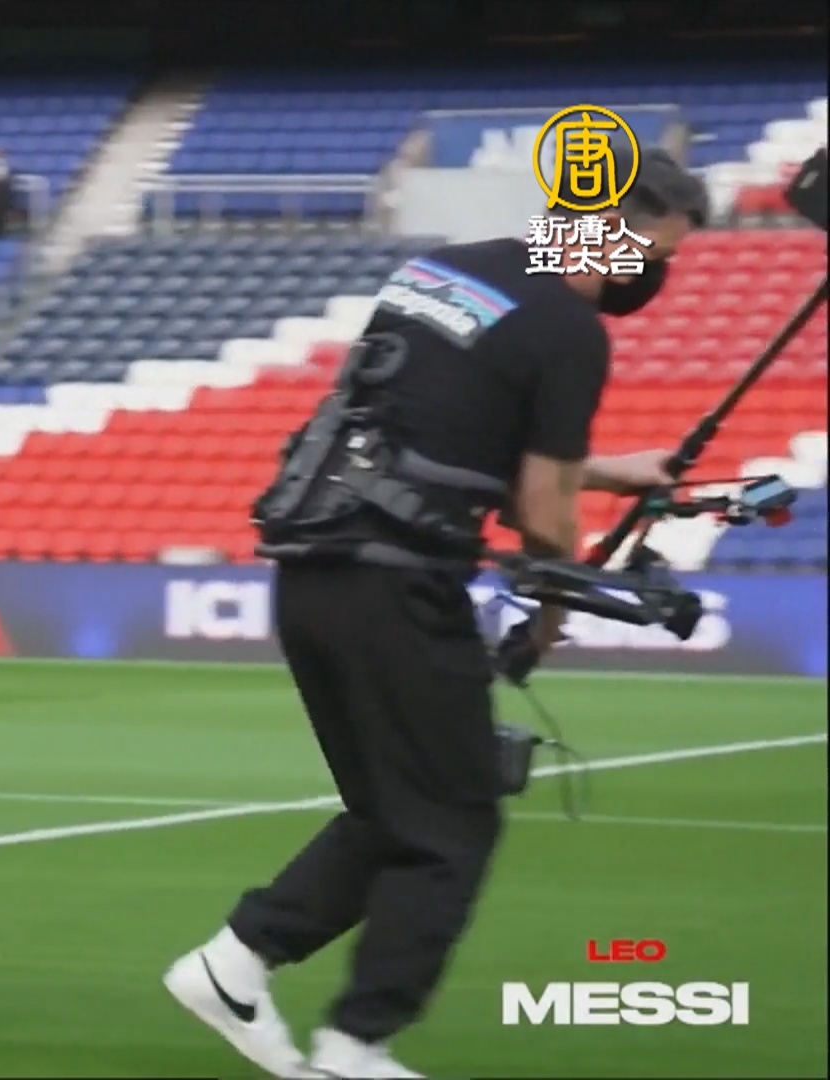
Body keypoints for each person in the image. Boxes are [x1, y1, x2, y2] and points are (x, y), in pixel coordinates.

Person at [162, 147, 709, 1079]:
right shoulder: (570, 330)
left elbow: (439, 428)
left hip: (314, 573)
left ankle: (233, 965)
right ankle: (356, 1045)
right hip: (398, 589)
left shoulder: (445, 270)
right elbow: (541, 512)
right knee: (454, 823)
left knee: (393, 809)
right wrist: (550, 612)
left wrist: (610, 471)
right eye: (654, 254)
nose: (651, 275)